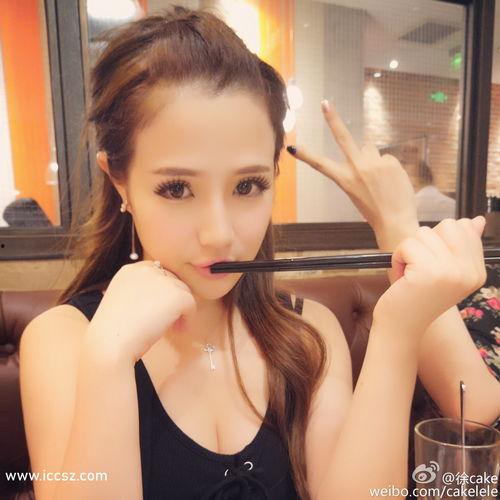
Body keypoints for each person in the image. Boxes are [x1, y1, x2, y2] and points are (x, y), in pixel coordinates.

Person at [18, 6, 496, 500]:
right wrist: (109, 362)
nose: (219, 234)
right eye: (177, 188)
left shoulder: (308, 334)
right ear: (120, 182)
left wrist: (399, 331)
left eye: (247, 186)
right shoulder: (64, 341)